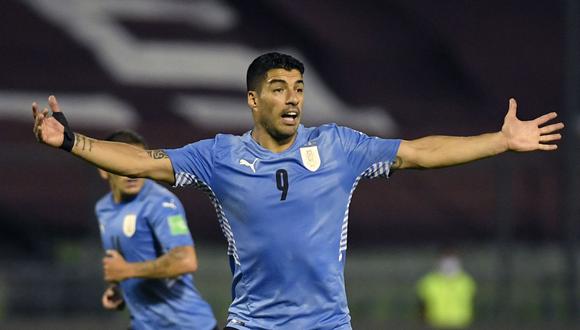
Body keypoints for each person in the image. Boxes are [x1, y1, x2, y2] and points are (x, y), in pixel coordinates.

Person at [32, 52, 564, 330]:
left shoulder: (338, 147)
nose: (293, 99)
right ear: (252, 100)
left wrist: (500, 140)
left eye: (299, 89)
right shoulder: (221, 156)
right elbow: (142, 161)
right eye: (279, 89)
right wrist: (70, 140)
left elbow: (420, 152)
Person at [95, 130, 217, 330]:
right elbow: (130, 258)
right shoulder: (103, 208)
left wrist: (126, 271)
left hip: (185, 325)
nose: (132, 171)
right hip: (143, 324)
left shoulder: (160, 203)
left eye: (137, 163)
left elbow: (185, 260)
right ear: (104, 169)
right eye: (122, 163)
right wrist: (119, 288)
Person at [416, 246, 476, 330]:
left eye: (452, 257)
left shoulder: (467, 281)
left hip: (461, 325)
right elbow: (421, 307)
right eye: (446, 258)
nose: (449, 262)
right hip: (435, 325)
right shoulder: (428, 282)